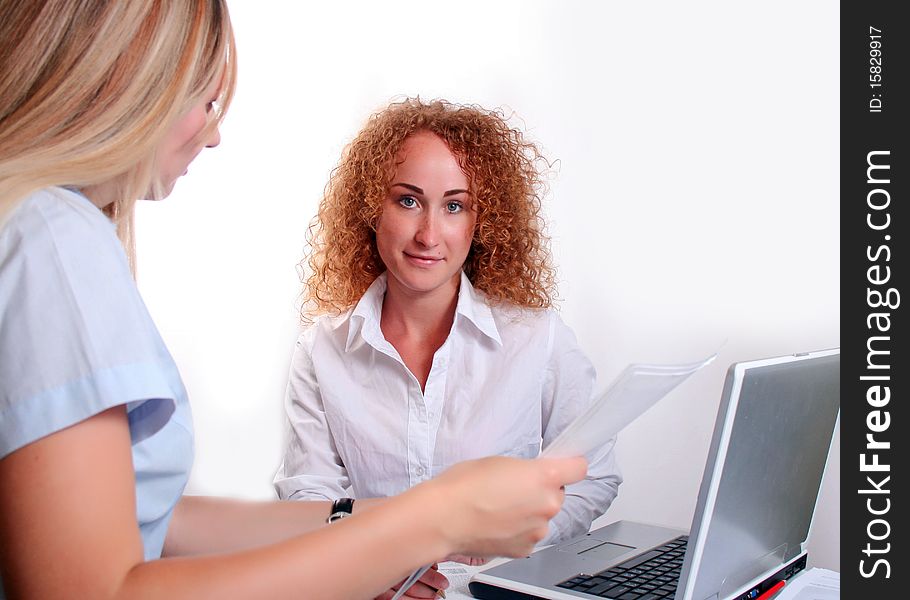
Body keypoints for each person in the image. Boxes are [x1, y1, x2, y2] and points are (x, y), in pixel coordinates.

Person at [0, 3, 587, 599]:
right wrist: (432, 519)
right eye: (206, 102)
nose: (215, 133)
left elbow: (160, 521)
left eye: (454, 205)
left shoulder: (43, 226)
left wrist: (372, 526)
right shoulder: (56, 234)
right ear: (130, 86)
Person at [274, 98, 622, 551]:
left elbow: (591, 476)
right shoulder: (321, 350)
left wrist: (511, 540)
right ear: (371, 208)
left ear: (483, 222)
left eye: (454, 206)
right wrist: (372, 566)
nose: (428, 235)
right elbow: (309, 493)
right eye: (408, 201)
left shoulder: (538, 339)